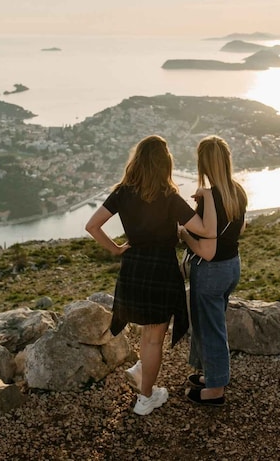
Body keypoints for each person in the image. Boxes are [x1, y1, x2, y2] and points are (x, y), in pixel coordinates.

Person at [85, 135, 217, 416]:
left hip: (133, 268)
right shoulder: (168, 195)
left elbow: (92, 226)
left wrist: (118, 249)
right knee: (154, 338)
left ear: (137, 161)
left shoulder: (122, 192)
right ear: (164, 164)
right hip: (161, 269)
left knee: (147, 334)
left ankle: (143, 376)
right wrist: (208, 198)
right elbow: (205, 229)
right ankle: (146, 398)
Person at [178, 135, 247, 406]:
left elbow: (206, 250)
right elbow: (240, 229)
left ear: (204, 164)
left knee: (210, 330)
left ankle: (215, 390)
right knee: (213, 326)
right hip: (232, 267)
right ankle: (212, 375)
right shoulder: (237, 191)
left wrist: (184, 235)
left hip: (211, 271)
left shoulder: (210, 197)